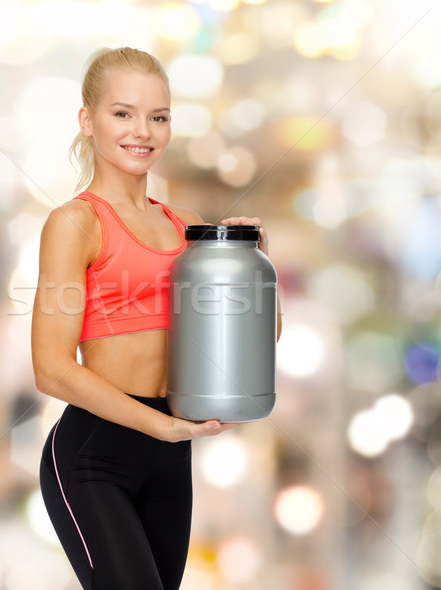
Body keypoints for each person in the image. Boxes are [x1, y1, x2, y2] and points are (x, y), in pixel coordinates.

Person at [32, 47, 282, 590]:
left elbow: (260, 342)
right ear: (87, 120)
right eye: (122, 113)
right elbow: (51, 369)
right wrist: (161, 425)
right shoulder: (75, 222)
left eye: (158, 116)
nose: (142, 130)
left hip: (169, 458)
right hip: (94, 455)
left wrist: (255, 260)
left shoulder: (187, 227)